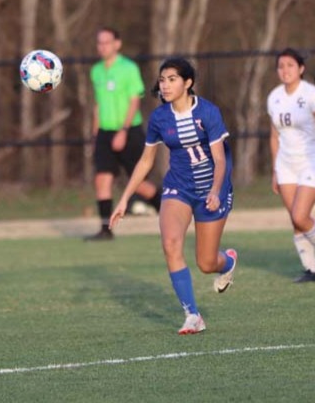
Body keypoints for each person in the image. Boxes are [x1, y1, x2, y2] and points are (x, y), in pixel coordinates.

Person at [109, 57, 237, 335]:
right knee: (170, 243)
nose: (165, 86)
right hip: (178, 187)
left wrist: (215, 190)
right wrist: (124, 198)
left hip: (211, 189)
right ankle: (192, 315)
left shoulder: (208, 112)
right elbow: (146, 161)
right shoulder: (160, 117)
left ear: (188, 83)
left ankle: (228, 262)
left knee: (206, 263)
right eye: (162, 80)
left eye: (172, 80)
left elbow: (220, 159)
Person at [267, 48, 315, 283]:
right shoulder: (274, 97)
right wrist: (275, 171)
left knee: (301, 216)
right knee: (295, 219)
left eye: (290, 65)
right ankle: (312, 270)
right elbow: (274, 135)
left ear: (301, 68)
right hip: (286, 164)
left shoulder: (311, 94)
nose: (285, 70)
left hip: (312, 161)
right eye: (281, 66)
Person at [86, 27, 161, 241]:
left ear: (117, 44)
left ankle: (166, 209)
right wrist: (95, 135)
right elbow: (98, 105)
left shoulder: (128, 68)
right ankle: (105, 229)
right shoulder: (96, 71)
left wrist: (124, 131)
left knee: (139, 184)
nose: (102, 46)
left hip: (129, 131)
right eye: (99, 42)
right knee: (102, 178)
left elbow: (134, 100)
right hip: (104, 132)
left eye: (107, 42)